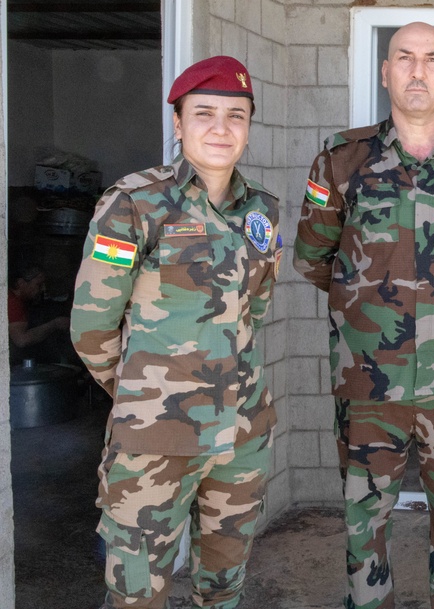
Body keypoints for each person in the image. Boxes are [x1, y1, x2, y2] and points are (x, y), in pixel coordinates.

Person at [293, 22, 434, 609]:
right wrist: (362, 306)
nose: (418, 71)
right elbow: (314, 257)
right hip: (369, 380)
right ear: (386, 72)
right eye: (405, 58)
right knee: (365, 521)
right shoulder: (341, 160)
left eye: (432, 60)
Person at [71, 56, 280, 609]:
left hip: (240, 435)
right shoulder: (135, 203)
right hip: (154, 438)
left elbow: (253, 311)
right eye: (204, 113)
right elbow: (91, 325)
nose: (221, 128)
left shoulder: (261, 212)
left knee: (224, 586)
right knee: (138, 593)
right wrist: (140, 393)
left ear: (249, 126)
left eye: (236, 115)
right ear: (178, 123)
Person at [8, 265, 70, 364]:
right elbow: (22, 340)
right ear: (21, 283)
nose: (43, 289)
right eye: (39, 284)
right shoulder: (12, 302)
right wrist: (55, 324)